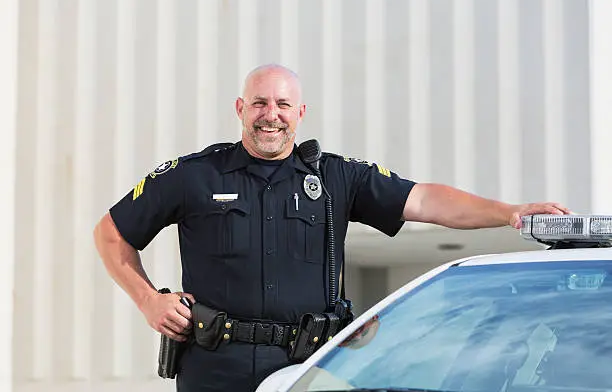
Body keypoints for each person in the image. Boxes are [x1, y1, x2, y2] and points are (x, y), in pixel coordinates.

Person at [93, 63, 570, 392]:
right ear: (240, 108)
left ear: (301, 113)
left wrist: (508, 212)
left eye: (283, 104)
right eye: (260, 103)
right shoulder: (193, 175)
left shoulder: (336, 177)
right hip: (215, 366)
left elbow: (423, 198)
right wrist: (148, 299)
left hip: (309, 367)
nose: (271, 114)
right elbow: (111, 232)